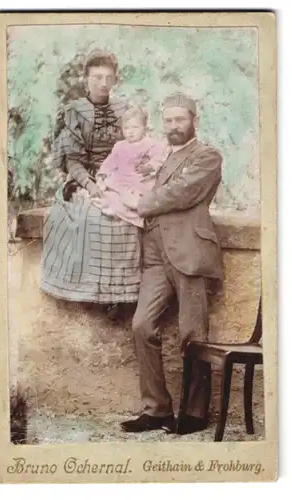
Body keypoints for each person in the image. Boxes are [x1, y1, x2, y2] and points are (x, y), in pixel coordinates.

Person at [120, 92, 224, 434]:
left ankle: (194, 414)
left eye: (181, 119)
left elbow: (182, 193)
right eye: (168, 120)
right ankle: (157, 409)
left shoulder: (207, 156)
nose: (174, 126)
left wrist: (139, 201)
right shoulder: (163, 158)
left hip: (190, 252)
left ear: (195, 120)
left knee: (193, 333)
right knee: (141, 326)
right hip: (155, 256)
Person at [40, 51, 143, 306]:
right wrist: (90, 184)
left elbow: (134, 147)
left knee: (130, 215)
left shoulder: (124, 109)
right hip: (85, 178)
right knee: (92, 216)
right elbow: (72, 162)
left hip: (120, 176)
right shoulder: (75, 112)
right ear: (86, 78)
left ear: (115, 79)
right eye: (97, 77)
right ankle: (87, 292)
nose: (103, 83)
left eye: (109, 77)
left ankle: (121, 294)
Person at [77, 105, 168, 228]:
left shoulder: (150, 144)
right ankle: (111, 206)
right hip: (121, 179)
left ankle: (127, 212)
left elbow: (159, 158)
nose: (130, 132)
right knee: (110, 191)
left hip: (138, 180)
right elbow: (110, 162)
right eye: (126, 128)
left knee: (132, 199)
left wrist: (150, 166)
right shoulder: (120, 146)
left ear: (144, 128)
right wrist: (103, 173)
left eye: (135, 127)